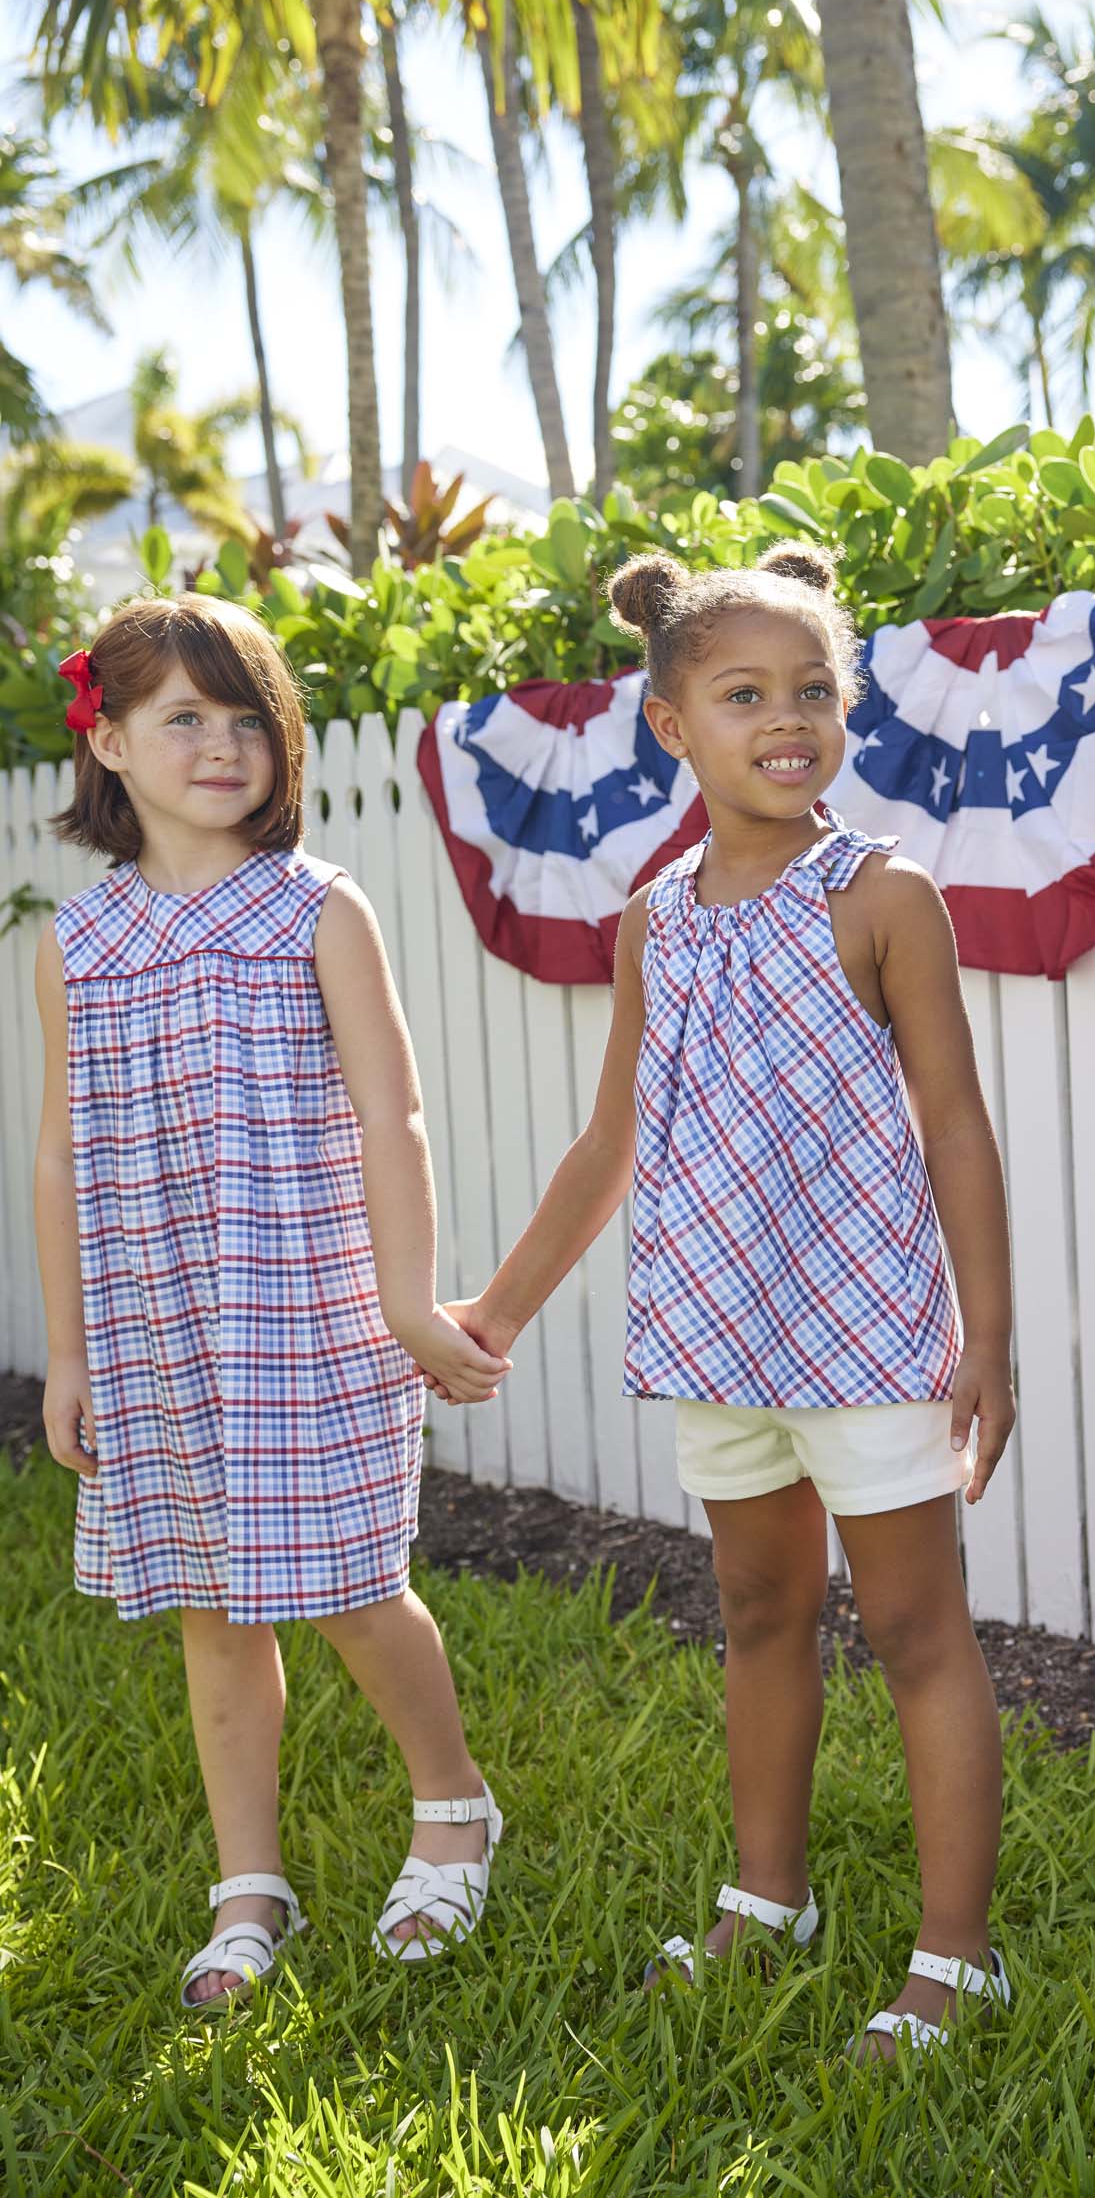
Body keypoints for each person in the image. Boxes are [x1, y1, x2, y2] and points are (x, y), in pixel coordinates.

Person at [445, 542, 1018, 2059]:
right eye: (746, 692)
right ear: (670, 725)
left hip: (869, 1339)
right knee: (760, 1610)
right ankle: (770, 1901)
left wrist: (991, 1337)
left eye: (815, 690)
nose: (789, 718)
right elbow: (609, 1139)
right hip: (719, 1339)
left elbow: (955, 1124)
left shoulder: (881, 893)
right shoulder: (657, 921)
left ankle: (955, 1959)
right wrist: (494, 1315)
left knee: (912, 1625)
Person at [33, 595, 511, 2010]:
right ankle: (249, 1883)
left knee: (357, 1586)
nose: (223, 744)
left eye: (249, 718)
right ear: (109, 742)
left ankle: (453, 1803)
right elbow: (62, 1149)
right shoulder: (83, 941)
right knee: (208, 1606)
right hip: (155, 1320)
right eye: (184, 717)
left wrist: (408, 1301)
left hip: (305, 1308)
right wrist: (68, 1351)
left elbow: (393, 1115)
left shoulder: (315, 906)